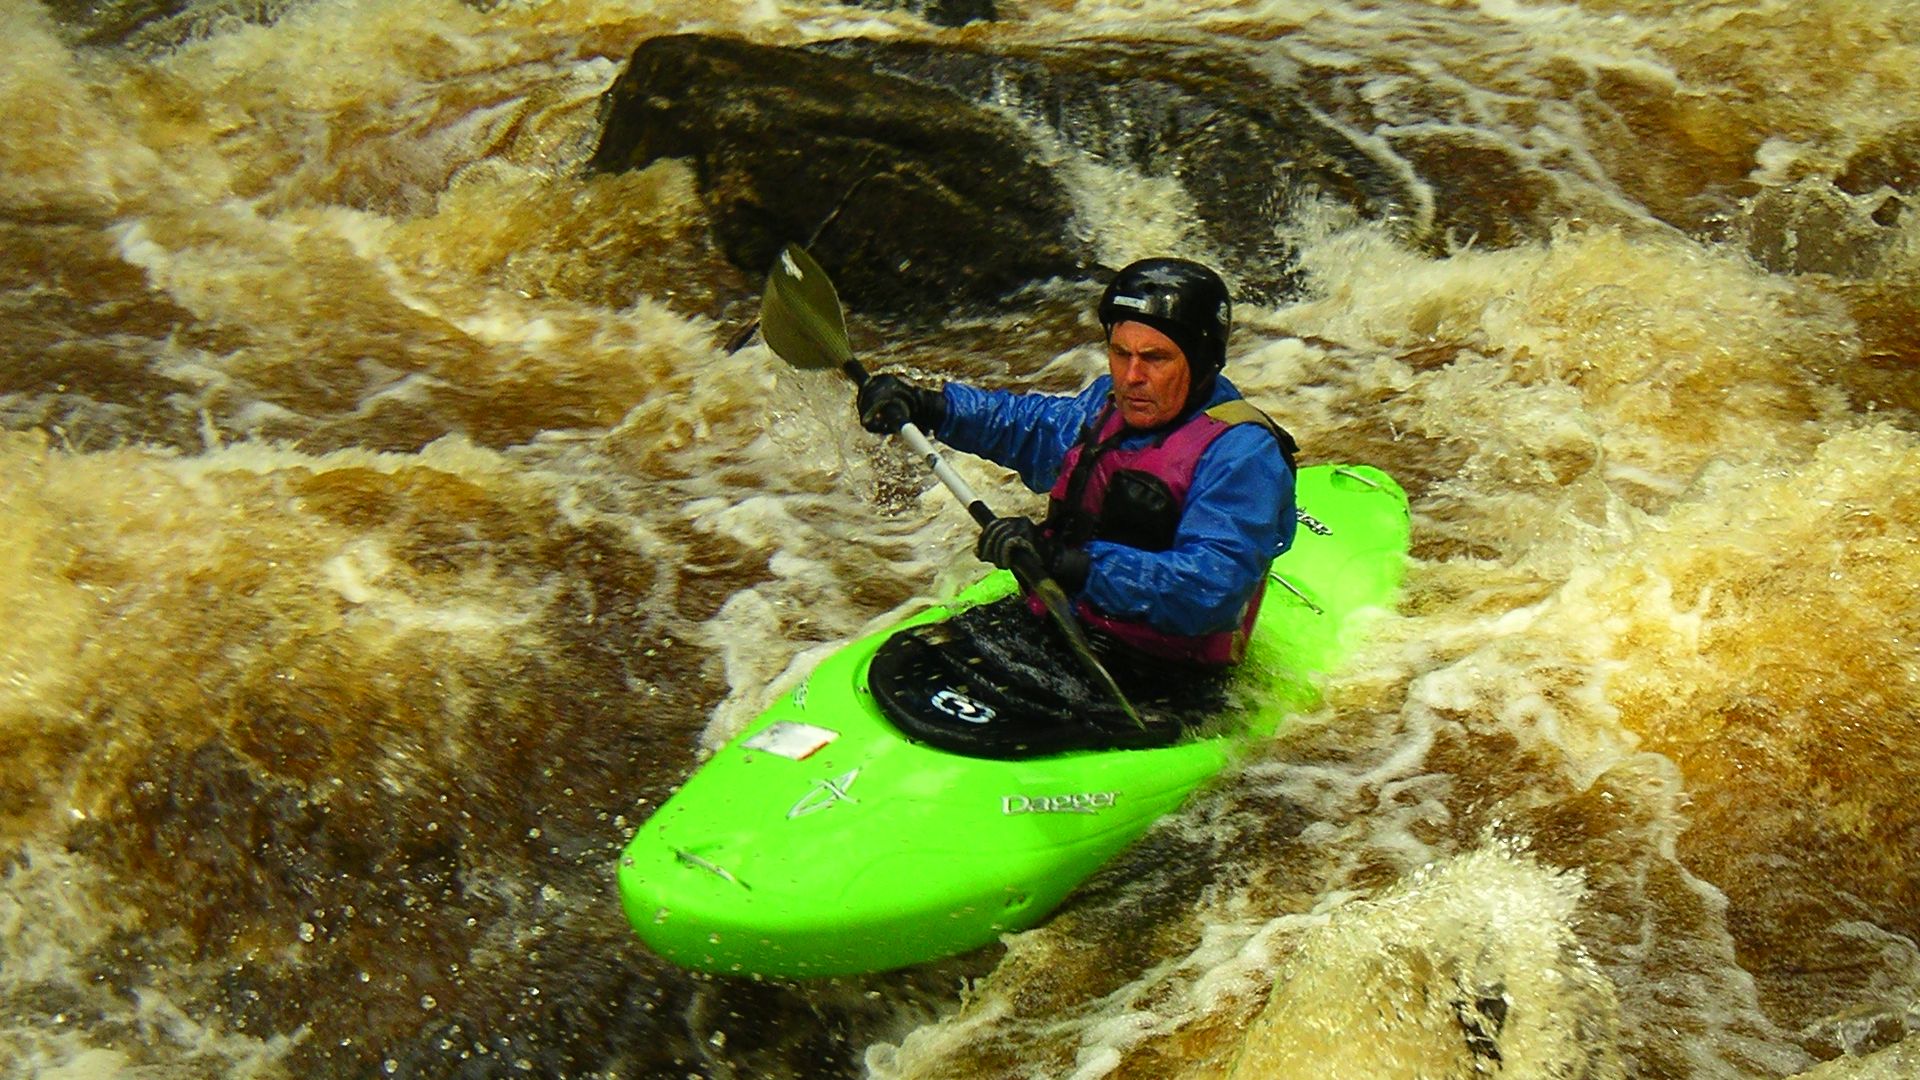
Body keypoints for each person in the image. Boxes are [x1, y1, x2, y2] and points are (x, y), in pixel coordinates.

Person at [856, 257, 1297, 675]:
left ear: (1202, 362)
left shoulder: (1243, 455)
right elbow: (1025, 427)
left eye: (1155, 358)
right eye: (1120, 353)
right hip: (1062, 624)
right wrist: (930, 406)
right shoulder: (1107, 407)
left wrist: (1071, 564)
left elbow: (1210, 589)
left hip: (1164, 670)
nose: (1131, 377)